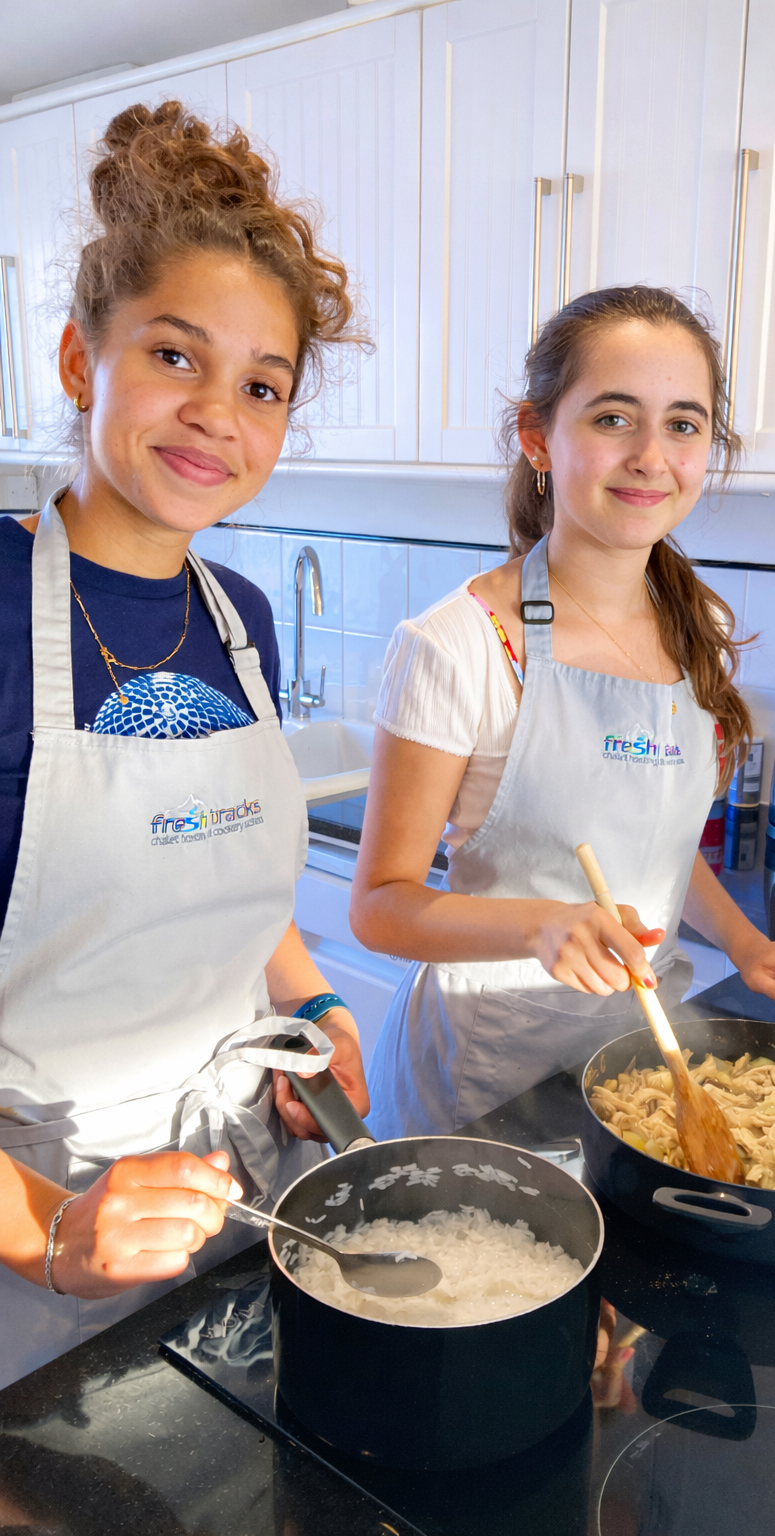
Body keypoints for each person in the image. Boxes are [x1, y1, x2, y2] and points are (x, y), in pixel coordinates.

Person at [0, 102, 369, 1388]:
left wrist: (303, 989)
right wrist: (49, 1229)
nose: (218, 412)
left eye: (262, 385)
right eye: (174, 355)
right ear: (74, 357)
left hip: (235, 1179)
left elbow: (211, 860)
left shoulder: (242, 619)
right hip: (32, 1208)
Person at [351, 285, 775, 1138]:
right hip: (485, 1081)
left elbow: (651, 847)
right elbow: (380, 906)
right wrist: (542, 925)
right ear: (538, 437)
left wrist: (745, 943)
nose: (652, 456)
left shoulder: (697, 627)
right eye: (614, 418)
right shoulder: (461, 645)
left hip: (640, 1069)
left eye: (684, 424)